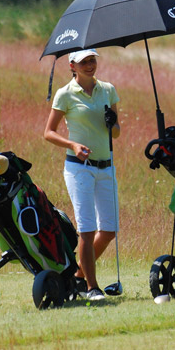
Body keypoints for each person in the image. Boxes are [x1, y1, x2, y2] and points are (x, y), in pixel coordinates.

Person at [44, 49, 121, 302]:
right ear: (72, 66)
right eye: (83, 62)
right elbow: (49, 132)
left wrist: (113, 123)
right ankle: (92, 287)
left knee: (108, 230)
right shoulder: (65, 94)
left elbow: (117, 133)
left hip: (106, 167)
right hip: (79, 169)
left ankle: (77, 273)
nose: (90, 65)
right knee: (87, 230)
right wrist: (73, 145)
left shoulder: (108, 90)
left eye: (92, 60)